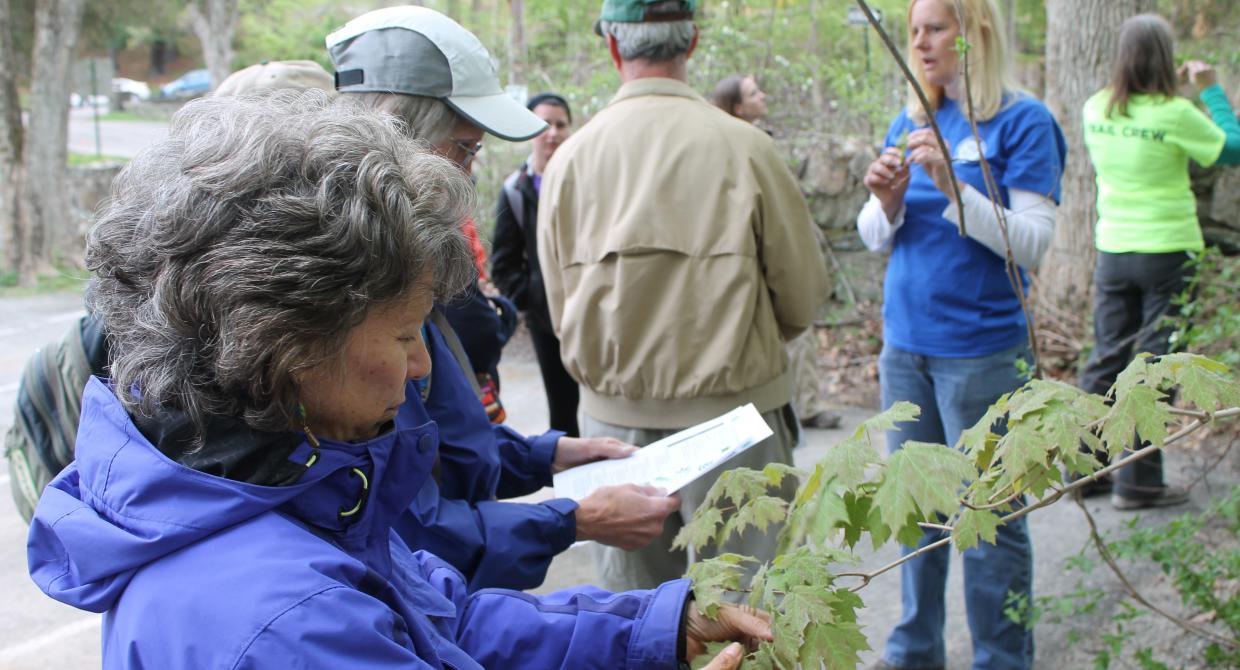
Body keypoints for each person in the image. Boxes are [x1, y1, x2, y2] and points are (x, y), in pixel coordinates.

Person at [26, 90, 770, 670]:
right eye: (407, 333)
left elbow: (441, 623)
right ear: (288, 342)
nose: (420, 369)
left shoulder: (291, 490)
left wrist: (654, 628)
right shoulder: (291, 623)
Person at [326, 5, 680, 591]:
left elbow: (439, 437)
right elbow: (410, 532)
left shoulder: (402, 259)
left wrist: (549, 454)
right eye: (463, 150)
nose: (468, 176)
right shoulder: (349, 300)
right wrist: (573, 520)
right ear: (393, 141)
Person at [538, 0, 831, 593]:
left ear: (614, 47)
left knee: (635, 628)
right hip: (739, 424)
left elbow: (559, 311)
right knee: (754, 614)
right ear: (691, 42)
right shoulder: (747, 148)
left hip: (613, 432)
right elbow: (803, 296)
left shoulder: (570, 160)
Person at [855, 0, 1066, 668]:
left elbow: (1031, 244)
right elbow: (873, 235)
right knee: (914, 510)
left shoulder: (1023, 121)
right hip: (905, 348)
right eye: (914, 31)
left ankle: (1003, 659)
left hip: (982, 354)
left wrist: (952, 184)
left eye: (935, 29)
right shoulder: (912, 116)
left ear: (974, 35)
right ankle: (914, 652)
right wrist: (885, 202)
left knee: (990, 519)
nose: (920, 43)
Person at [1077, 13, 1240, 510]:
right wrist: (1211, 90)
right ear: (1166, 59)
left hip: (1113, 251)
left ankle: (1087, 472)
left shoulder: (1095, 107)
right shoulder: (1174, 113)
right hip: (1167, 252)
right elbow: (1232, 150)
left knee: (1107, 357)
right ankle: (1140, 484)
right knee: (1156, 367)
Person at [711, 74, 842, 432]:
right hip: (749, 261)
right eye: (754, 93)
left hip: (771, 254)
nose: (763, 96)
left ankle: (806, 404)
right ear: (737, 106)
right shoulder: (729, 147)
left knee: (799, 334)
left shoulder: (756, 143)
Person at [490, 92, 581, 437]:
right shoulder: (515, 190)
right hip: (548, 321)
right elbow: (503, 262)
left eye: (560, 124)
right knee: (564, 412)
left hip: (592, 312)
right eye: (543, 125)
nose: (553, 133)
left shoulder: (586, 181)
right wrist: (535, 298)